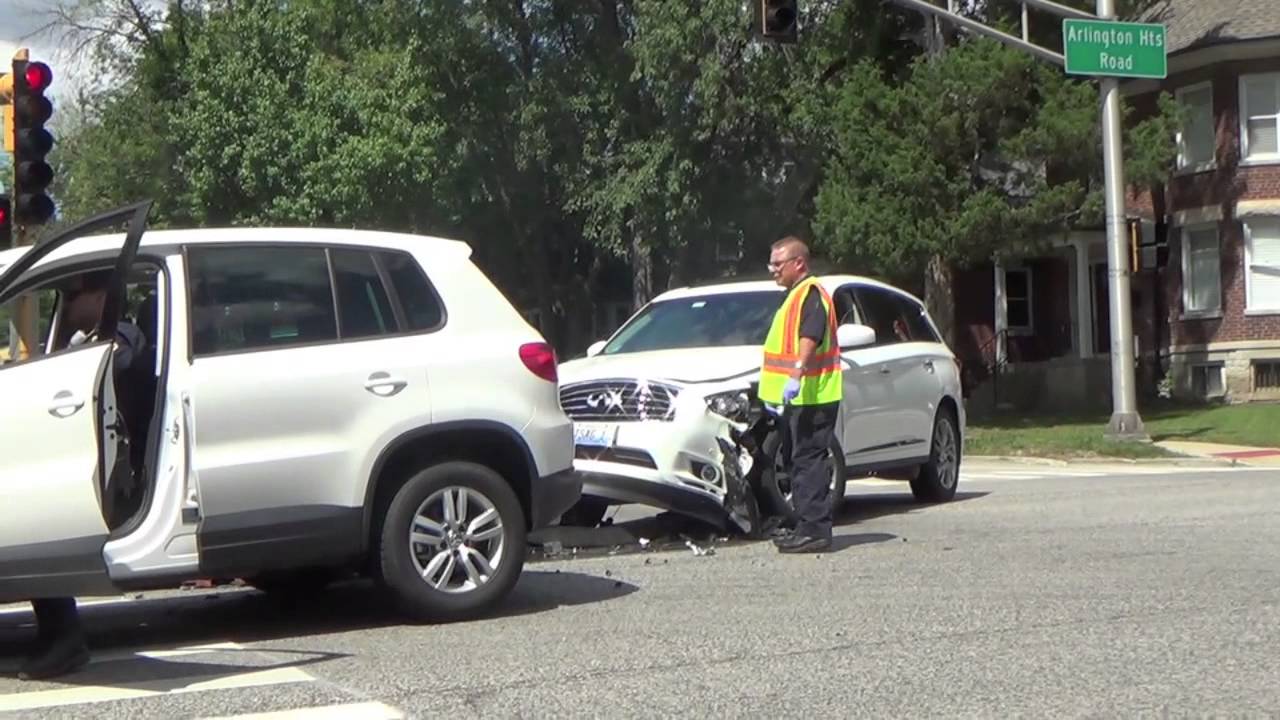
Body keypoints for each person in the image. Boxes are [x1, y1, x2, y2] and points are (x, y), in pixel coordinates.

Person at [19, 270, 146, 681]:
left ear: (100, 297)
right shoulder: (88, 342)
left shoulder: (124, 337)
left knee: (39, 529)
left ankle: (65, 640)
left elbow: (115, 367)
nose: (69, 305)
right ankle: (56, 635)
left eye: (74, 294)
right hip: (88, 461)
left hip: (118, 472)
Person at [757, 236, 842, 554]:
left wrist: (795, 376)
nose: (772, 270)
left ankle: (816, 531)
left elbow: (810, 337)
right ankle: (806, 525)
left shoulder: (810, 294)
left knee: (808, 462)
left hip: (812, 396)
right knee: (798, 461)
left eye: (777, 264)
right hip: (798, 398)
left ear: (799, 263)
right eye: (771, 263)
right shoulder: (794, 296)